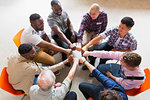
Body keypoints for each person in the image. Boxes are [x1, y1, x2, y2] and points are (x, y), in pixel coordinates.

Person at [7, 44, 73, 95]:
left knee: (46, 73)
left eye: (34, 50)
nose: (35, 53)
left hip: (19, 76)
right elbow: (47, 69)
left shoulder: (15, 55)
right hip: (21, 84)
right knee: (46, 86)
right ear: (26, 56)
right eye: (33, 53)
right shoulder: (26, 68)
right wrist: (66, 61)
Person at [77, 3, 107, 70]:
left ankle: (91, 60)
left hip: (97, 32)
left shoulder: (104, 15)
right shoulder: (86, 17)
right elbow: (81, 28)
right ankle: (83, 58)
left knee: (97, 45)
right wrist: (79, 42)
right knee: (84, 43)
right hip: (88, 31)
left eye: (94, 14)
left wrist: (99, 36)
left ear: (99, 12)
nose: (91, 15)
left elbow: (104, 27)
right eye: (90, 13)